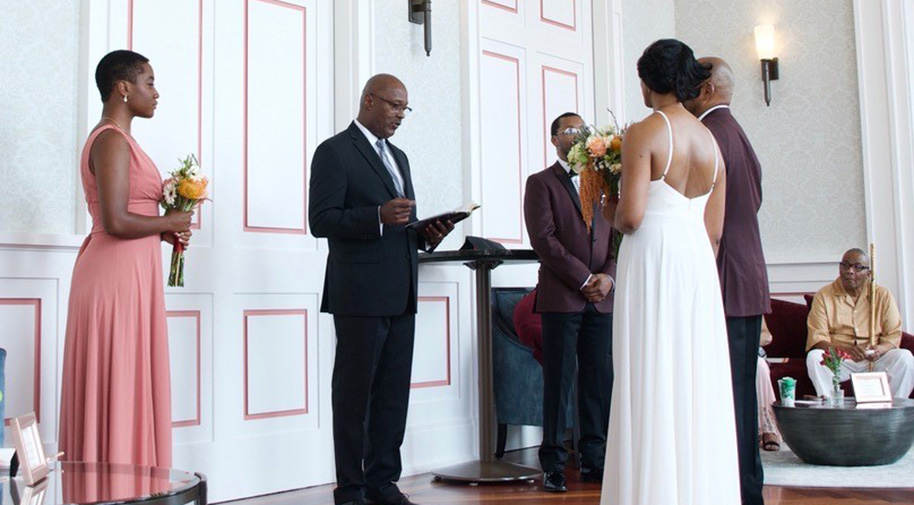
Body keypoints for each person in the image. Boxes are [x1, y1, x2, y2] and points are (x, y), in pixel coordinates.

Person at [601, 39, 740, 505]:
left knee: (648, 369)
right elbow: (714, 232)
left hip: (654, 258)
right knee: (692, 375)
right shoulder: (711, 141)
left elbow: (633, 217)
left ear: (646, 82)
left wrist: (609, 210)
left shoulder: (646, 130)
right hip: (696, 262)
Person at [309, 74, 453, 505]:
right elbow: (321, 220)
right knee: (355, 396)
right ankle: (351, 488)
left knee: (392, 393)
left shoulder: (401, 158)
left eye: (405, 109)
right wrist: (375, 215)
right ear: (369, 100)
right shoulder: (334, 152)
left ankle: (383, 482)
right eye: (394, 106)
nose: (400, 116)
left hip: (401, 290)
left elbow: (402, 222)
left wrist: (429, 233)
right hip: (359, 294)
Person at [58, 50, 193, 467]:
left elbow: (126, 213)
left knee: (127, 378)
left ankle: (127, 479)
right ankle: (112, 483)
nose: (156, 93)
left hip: (130, 271)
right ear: (123, 88)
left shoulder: (121, 139)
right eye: (149, 82)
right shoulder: (111, 139)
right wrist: (166, 219)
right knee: (117, 376)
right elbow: (115, 220)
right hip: (113, 276)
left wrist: (164, 228)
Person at [684, 56, 769, 505]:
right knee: (735, 397)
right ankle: (741, 489)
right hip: (745, 276)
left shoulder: (710, 135)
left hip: (726, 279)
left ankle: (740, 492)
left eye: (689, 89)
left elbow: (707, 219)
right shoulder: (736, 131)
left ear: (707, 91)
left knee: (731, 398)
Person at [523, 112, 616, 492]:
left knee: (597, 382)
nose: (576, 134)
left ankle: (595, 461)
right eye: (568, 130)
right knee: (558, 384)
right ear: (554, 139)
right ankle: (553, 464)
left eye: (582, 129)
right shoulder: (540, 183)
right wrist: (583, 278)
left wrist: (608, 277)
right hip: (563, 296)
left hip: (602, 298)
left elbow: (616, 236)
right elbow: (544, 240)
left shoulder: (605, 180)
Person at [806, 248, 914, 399]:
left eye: (857, 267)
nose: (850, 271)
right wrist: (847, 350)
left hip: (874, 359)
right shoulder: (823, 296)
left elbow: (893, 336)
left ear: (868, 274)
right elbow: (817, 339)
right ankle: (830, 406)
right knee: (815, 357)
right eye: (845, 265)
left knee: (905, 357)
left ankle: (893, 411)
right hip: (841, 360)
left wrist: (879, 349)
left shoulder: (882, 295)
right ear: (840, 268)